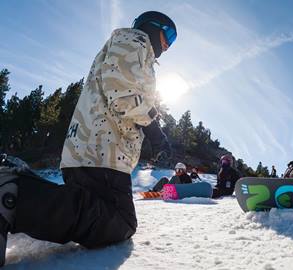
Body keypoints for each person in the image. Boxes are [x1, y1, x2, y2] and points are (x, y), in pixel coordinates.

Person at [0, 11, 177, 266]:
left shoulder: (127, 46)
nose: (168, 45)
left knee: (86, 208)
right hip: (103, 153)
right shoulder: (134, 41)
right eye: (168, 35)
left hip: (91, 150)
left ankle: (17, 190)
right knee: (120, 222)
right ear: (151, 27)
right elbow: (123, 94)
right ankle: (14, 192)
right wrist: (155, 132)